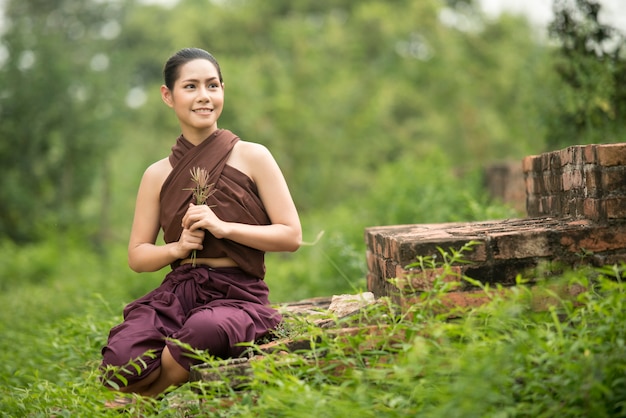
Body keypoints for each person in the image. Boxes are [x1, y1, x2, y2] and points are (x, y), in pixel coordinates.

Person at [100, 47, 302, 399]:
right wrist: (176, 248)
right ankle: (142, 391)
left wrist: (225, 228)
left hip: (238, 295)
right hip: (178, 291)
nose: (204, 96)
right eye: (191, 87)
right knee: (120, 358)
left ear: (223, 89)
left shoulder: (254, 156)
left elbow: (291, 236)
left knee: (205, 329)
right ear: (168, 95)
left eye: (212, 85)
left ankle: (143, 401)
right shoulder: (156, 174)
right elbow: (137, 255)